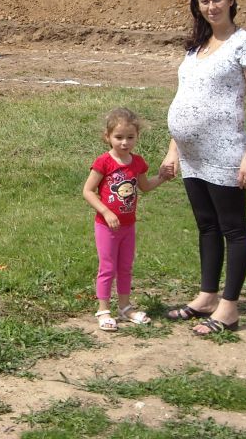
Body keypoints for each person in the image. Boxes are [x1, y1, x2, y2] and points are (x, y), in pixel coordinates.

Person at [161, 0, 246, 337]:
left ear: (232, 0)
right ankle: (207, 296)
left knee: (233, 228)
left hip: (225, 152)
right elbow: (185, 98)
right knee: (206, 226)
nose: (211, 6)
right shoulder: (196, 46)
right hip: (191, 153)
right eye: (204, 1)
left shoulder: (245, 43)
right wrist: (173, 149)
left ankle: (229, 308)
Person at [83, 107, 174, 331]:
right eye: (119, 137)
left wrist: (161, 178)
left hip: (128, 226)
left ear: (137, 137)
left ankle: (124, 307)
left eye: (130, 137)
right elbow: (87, 191)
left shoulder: (137, 162)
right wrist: (105, 211)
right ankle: (103, 310)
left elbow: (144, 187)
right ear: (108, 137)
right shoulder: (104, 162)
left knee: (125, 267)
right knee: (107, 267)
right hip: (106, 226)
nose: (124, 142)